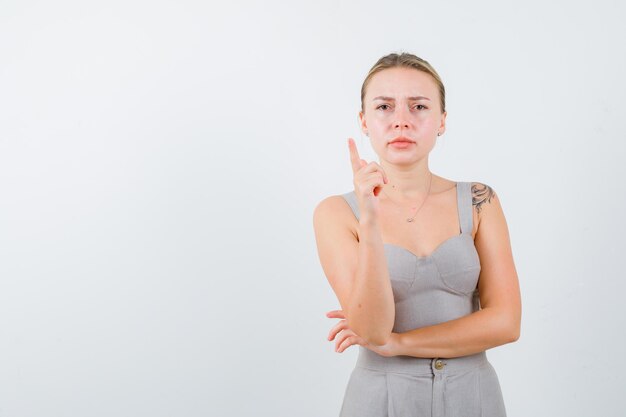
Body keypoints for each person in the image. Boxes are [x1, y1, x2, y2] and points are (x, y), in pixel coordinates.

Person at [312, 52, 521, 417]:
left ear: (441, 120)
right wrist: (371, 220)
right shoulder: (335, 213)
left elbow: (506, 322)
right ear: (364, 121)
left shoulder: (478, 200)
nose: (402, 122)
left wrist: (401, 343)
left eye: (419, 106)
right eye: (384, 107)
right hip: (380, 400)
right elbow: (372, 329)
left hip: (473, 397)